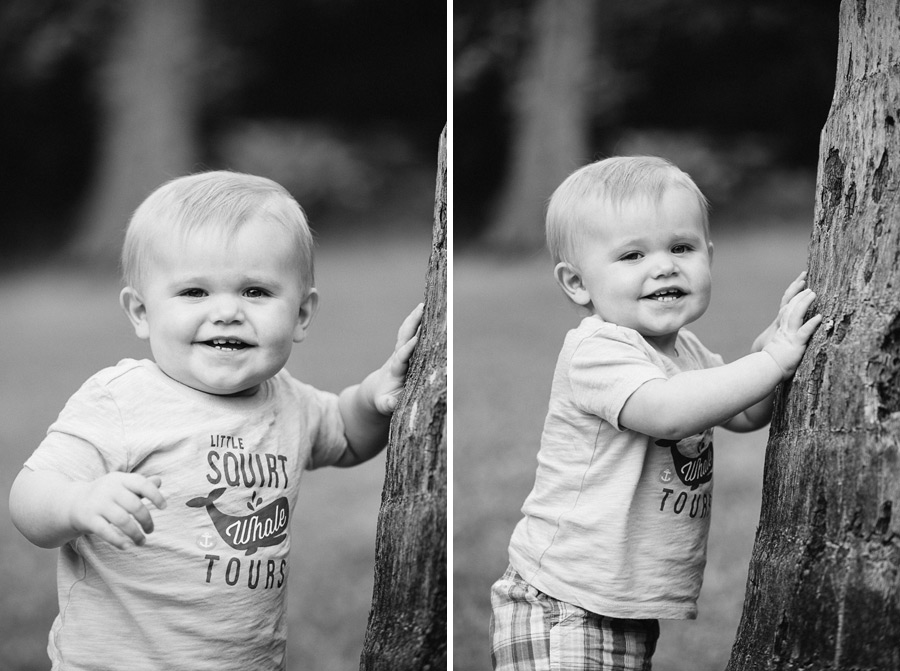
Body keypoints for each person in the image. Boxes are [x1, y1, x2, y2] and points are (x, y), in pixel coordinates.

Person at [9, 171, 423, 671]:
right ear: (141, 312)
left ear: (301, 315)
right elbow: (29, 496)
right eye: (194, 293)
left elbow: (347, 433)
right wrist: (78, 501)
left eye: (255, 291)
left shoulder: (286, 400)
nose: (226, 311)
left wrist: (378, 393)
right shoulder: (122, 401)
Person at [489, 156, 822, 670]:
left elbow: (744, 414)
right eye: (632, 255)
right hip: (564, 601)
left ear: (709, 255)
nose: (664, 265)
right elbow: (668, 412)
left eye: (682, 248)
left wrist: (772, 345)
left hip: (620, 604)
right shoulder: (597, 349)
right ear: (578, 283)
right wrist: (772, 361)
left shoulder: (683, 349)